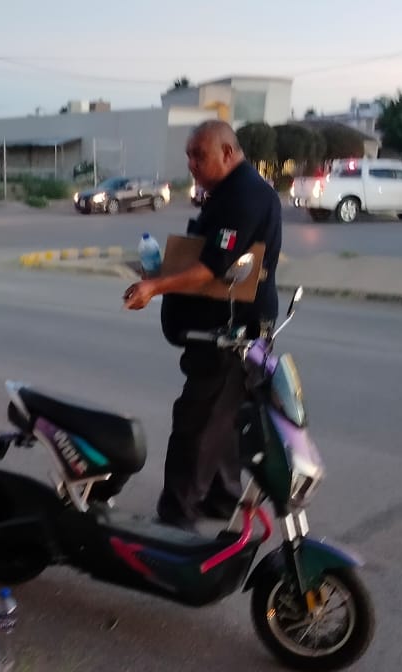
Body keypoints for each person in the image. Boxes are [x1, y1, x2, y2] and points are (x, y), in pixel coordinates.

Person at [122, 120, 282, 530]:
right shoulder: (228, 191)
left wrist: (154, 286)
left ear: (227, 153)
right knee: (223, 418)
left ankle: (176, 519)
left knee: (196, 422)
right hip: (227, 331)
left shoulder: (245, 194)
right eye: (189, 155)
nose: (191, 163)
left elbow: (214, 265)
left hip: (229, 334)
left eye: (199, 155)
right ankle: (220, 498)